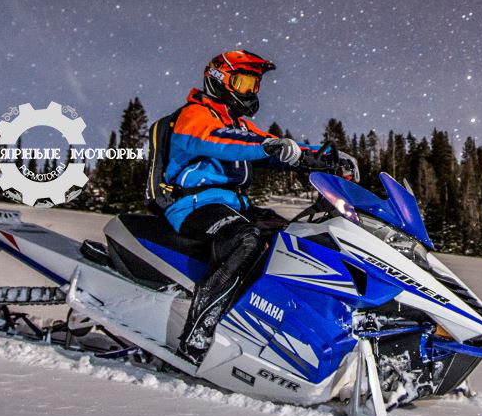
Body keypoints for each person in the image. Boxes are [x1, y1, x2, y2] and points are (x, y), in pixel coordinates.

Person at [148, 50, 351, 365]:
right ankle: (197, 336)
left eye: (253, 85)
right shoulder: (196, 116)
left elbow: (274, 145)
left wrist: (324, 159)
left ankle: (291, 332)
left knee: (297, 238)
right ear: (218, 80)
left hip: (234, 206)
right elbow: (219, 140)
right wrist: (267, 146)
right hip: (194, 205)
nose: (249, 92)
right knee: (248, 239)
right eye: (242, 83)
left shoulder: (238, 125)